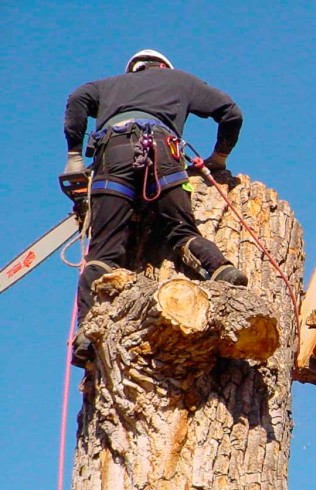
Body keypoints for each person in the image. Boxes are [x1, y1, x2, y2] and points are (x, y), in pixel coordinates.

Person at [63, 49, 248, 367]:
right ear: (164, 67)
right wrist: (219, 158)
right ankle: (221, 268)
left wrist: (75, 156)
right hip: (164, 153)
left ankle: (88, 331)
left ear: (132, 70)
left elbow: (77, 98)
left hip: (113, 156)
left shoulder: (106, 85)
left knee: (103, 254)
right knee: (181, 232)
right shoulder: (182, 81)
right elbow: (231, 113)